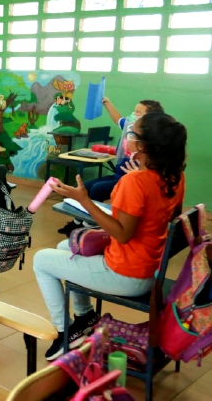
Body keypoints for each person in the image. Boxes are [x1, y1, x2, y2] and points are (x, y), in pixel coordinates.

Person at [34, 112, 186, 361]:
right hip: (150, 268)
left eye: (132, 134)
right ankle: (85, 316)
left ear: (144, 145)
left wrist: (84, 200)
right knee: (65, 245)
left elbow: (122, 234)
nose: (128, 137)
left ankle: (64, 332)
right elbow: (167, 220)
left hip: (126, 274)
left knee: (41, 260)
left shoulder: (135, 182)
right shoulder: (175, 176)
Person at [58, 98, 165, 235]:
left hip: (129, 179)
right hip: (118, 175)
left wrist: (139, 172)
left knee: (97, 189)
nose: (133, 114)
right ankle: (78, 220)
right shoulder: (129, 126)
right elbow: (118, 119)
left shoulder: (148, 140)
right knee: (86, 186)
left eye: (137, 112)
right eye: (134, 110)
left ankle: (89, 224)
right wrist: (107, 103)